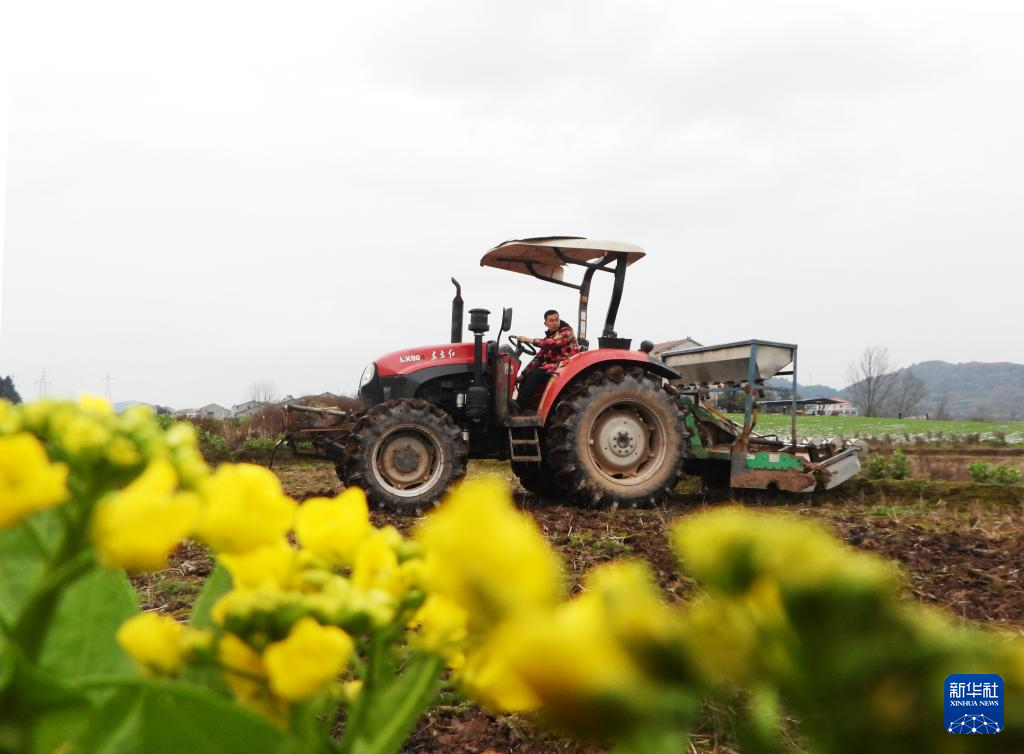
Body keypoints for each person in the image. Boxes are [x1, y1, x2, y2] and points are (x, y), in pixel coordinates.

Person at [515, 309, 580, 408]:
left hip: (565, 365)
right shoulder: (549, 336)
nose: (555, 323)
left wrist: (531, 340)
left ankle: (519, 406)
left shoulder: (567, 332)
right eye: (551, 321)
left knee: (535, 374)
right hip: (553, 367)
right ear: (546, 323)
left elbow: (552, 343)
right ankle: (524, 405)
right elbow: (539, 357)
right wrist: (523, 374)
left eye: (556, 320)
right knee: (528, 375)